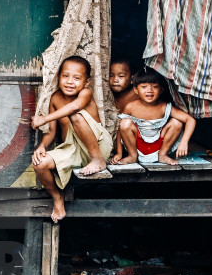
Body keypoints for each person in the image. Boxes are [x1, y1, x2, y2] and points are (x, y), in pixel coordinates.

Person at [31, 56, 113, 223]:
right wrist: (41, 147)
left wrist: (44, 118)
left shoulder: (85, 94)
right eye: (65, 76)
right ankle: (57, 197)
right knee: (40, 163)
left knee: (75, 116)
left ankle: (97, 161)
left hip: (97, 146)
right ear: (59, 77)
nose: (70, 82)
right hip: (72, 149)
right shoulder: (55, 98)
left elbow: (75, 107)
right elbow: (51, 132)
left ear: (86, 82)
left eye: (77, 78)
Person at [111, 67, 196, 167]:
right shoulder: (131, 107)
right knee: (124, 123)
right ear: (136, 90)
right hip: (137, 145)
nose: (149, 90)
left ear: (161, 90)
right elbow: (120, 130)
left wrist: (184, 142)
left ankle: (163, 155)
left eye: (155, 87)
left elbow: (190, 120)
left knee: (177, 123)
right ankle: (132, 156)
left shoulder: (164, 107)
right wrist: (119, 153)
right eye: (144, 87)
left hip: (159, 145)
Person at [108, 57, 138, 162]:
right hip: (117, 141)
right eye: (111, 75)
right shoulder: (107, 95)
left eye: (121, 76)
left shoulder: (137, 94)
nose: (115, 80)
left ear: (132, 79)